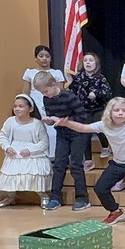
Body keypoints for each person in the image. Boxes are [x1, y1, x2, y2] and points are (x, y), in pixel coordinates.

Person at [57, 97, 125, 225]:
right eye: (116, 110)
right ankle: (115, 211)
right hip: (117, 163)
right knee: (100, 188)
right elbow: (83, 128)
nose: (120, 113)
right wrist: (66, 123)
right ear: (110, 112)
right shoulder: (104, 125)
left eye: (124, 110)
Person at [33, 71, 91, 211]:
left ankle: (82, 199)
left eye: (46, 91)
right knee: (59, 164)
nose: (45, 95)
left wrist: (67, 121)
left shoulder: (69, 97)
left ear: (53, 84)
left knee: (76, 165)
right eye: (42, 93)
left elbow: (83, 117)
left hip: (78, 133)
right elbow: (52, 117)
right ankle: (55, 197)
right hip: (62, 133)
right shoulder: (47, 99)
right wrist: (49, 121)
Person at [0, 94, 51, 209]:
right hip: (15, 154)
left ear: (30, 109)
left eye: (21, 106)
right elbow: (3, 136)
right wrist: (7, 147)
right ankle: (11, 197)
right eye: (15, 106)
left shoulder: (37, 124)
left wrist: (31, 150)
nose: (17, 109)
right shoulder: (10, 122)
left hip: (33, 155)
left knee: (34, 174)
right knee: (12, 175)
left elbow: (43, 142)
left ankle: (43, 196)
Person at [68, 52, 113, 164]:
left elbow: (108, 93)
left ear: (96, 63)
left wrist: (96, 93)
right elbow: (72, 91)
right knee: (85, 132)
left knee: (100, 128)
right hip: (84, 109)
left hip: (98, 108)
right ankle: (88, 159)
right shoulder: (79, 77)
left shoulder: (100, 78)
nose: (88, 62)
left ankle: (105, 147)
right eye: (86, 60)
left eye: (91, 60)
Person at [22, 45, 63, 158]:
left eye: (47, 56)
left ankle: (54, 156)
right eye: (41, 56)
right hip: (36, 105)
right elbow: (25, 93)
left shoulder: (57, 73)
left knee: (53, 130)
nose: (44, 58)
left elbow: (61, 93)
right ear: (36, 58)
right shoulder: (30, 73)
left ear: (50, 58)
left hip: (52, 104)